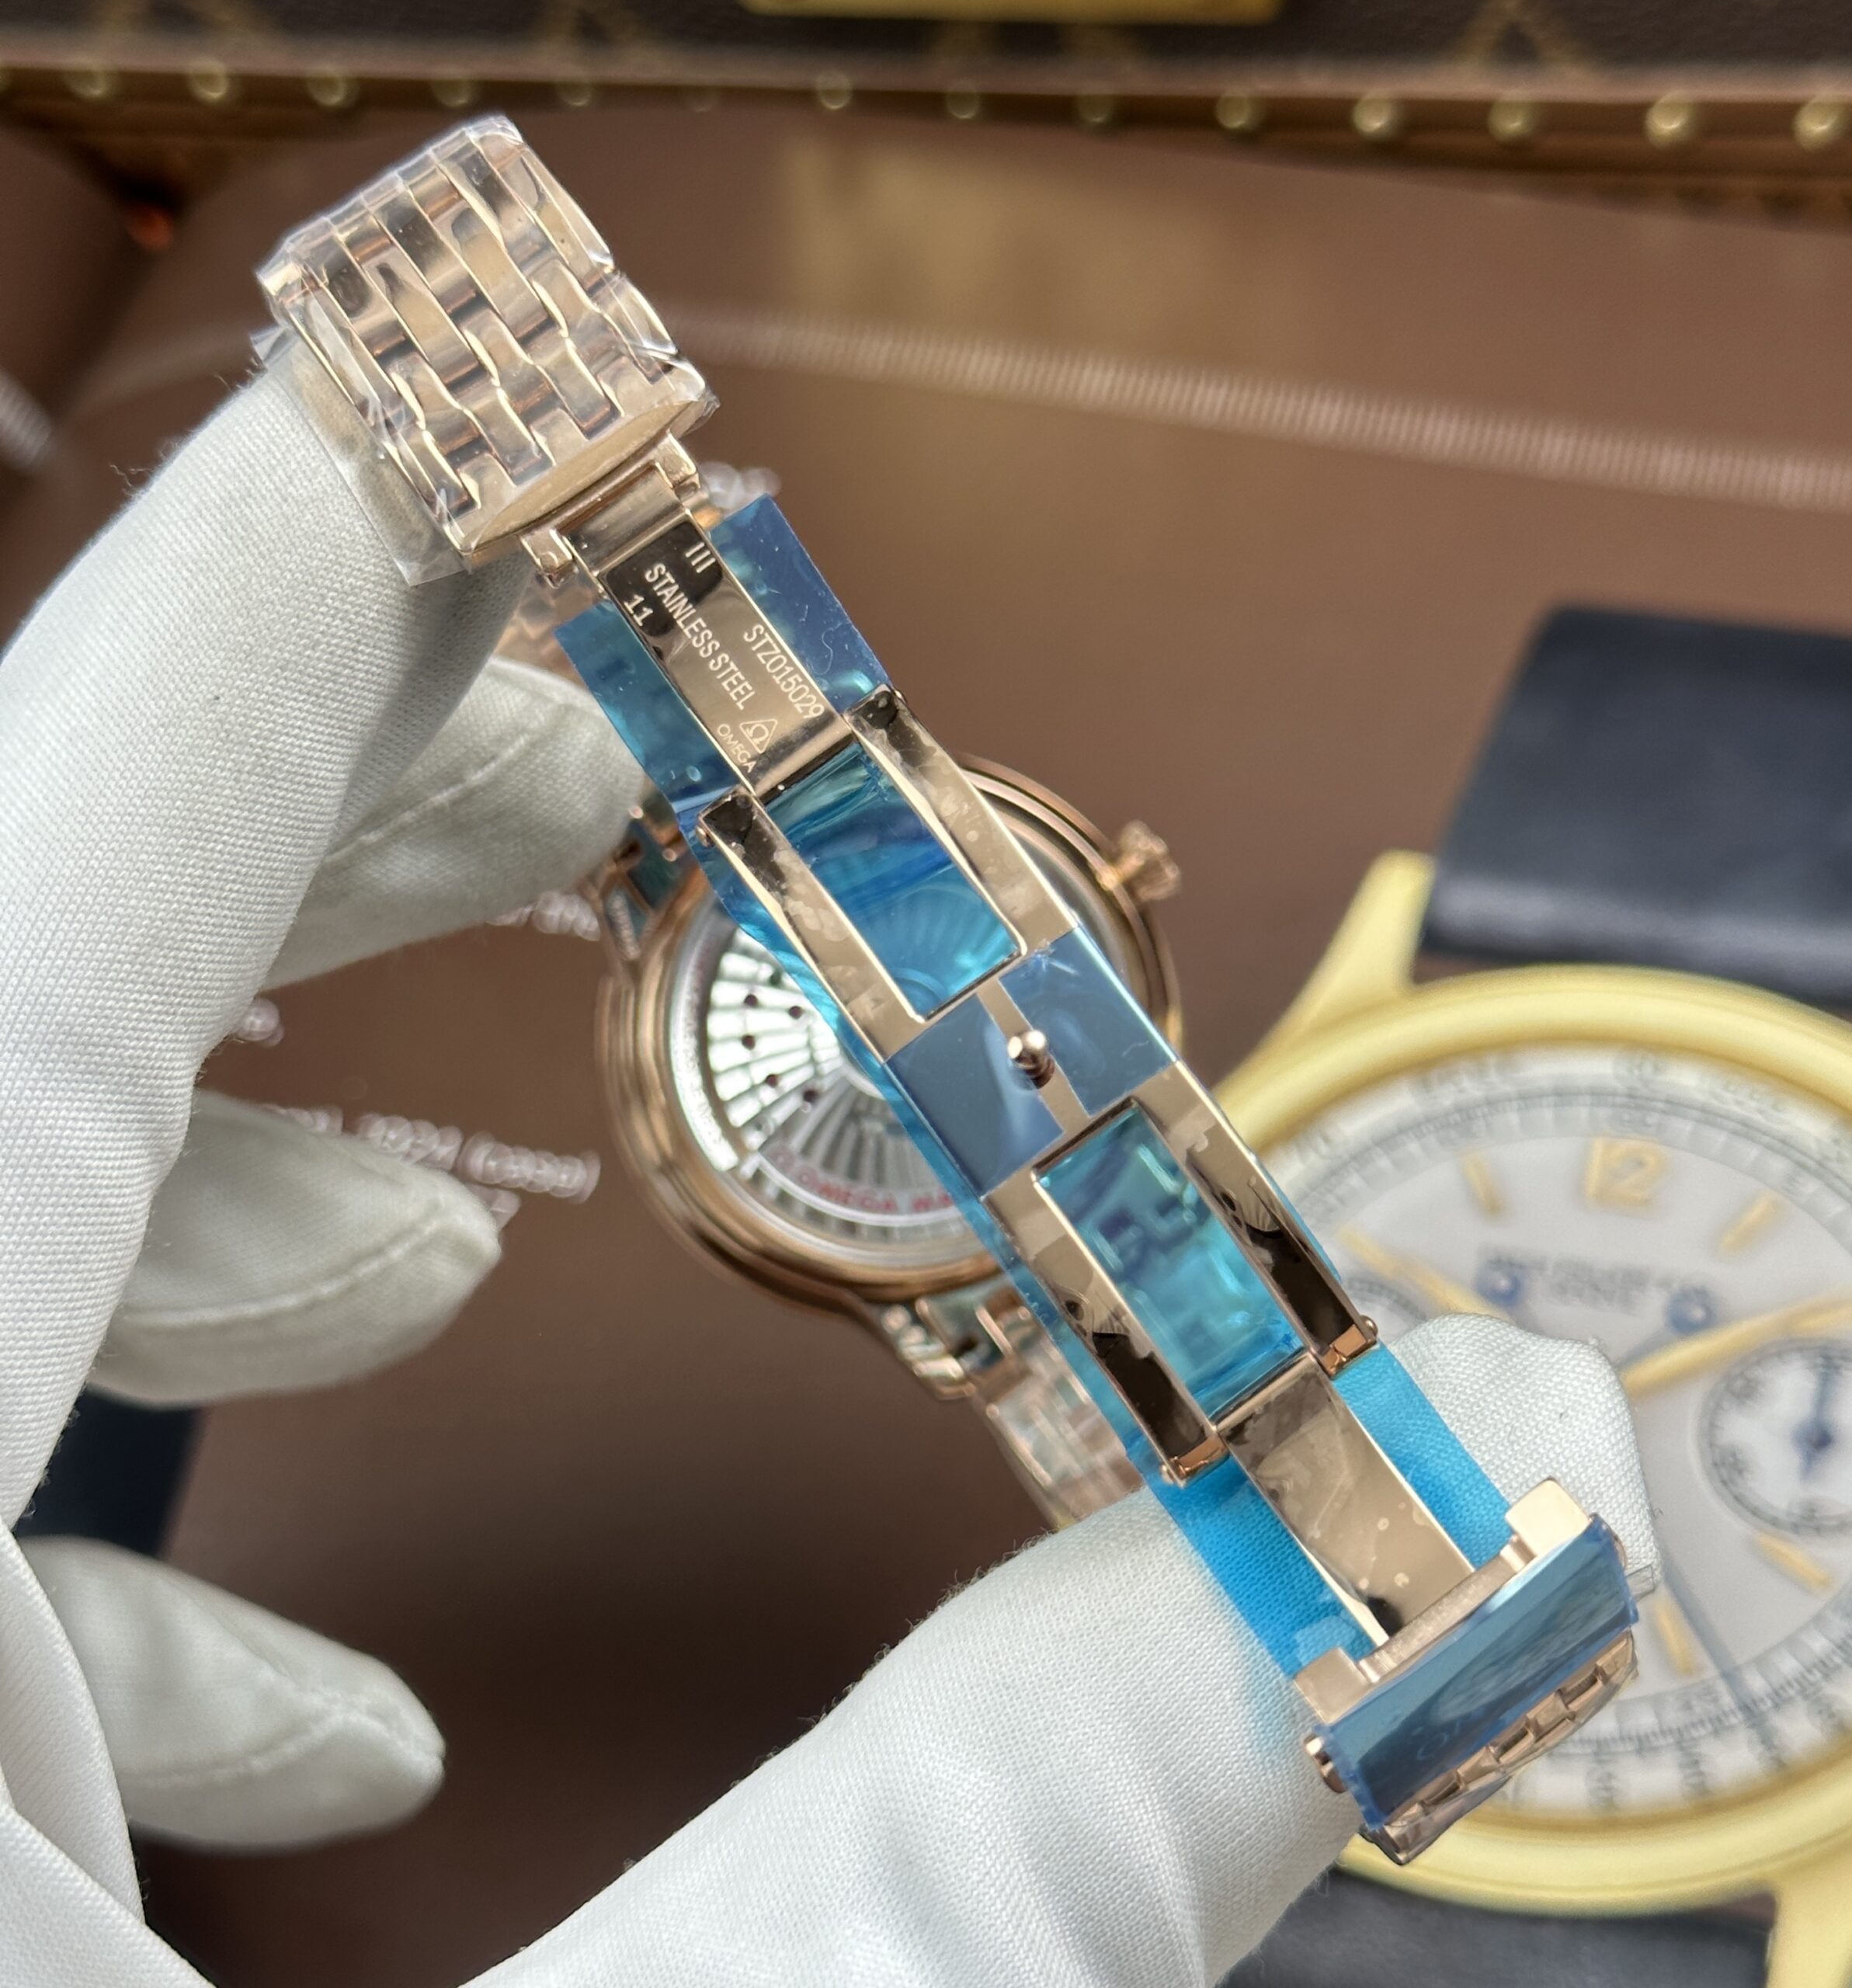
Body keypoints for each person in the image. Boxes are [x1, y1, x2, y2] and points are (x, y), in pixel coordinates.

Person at [0, 358, 1653, 1986]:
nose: (897, 1046)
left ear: (1109, 895)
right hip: (1031, 1244)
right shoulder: (731, 1016)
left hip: (1097, 1185)